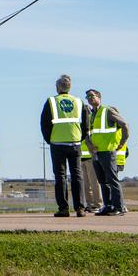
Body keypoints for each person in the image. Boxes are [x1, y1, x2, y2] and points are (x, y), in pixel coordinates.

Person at [40, 75, 90, 218]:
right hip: (75, 143)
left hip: (57, 143)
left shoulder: (51, 102)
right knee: (77, 176)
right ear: (70, 87)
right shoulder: (79, 102)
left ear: (57, 87)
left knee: (60, 177)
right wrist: (80, 138)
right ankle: (80, 208)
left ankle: (63, 208)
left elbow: (44, 124)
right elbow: (86, 124)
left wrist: (49, 139)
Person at [85, 88, 129, 216]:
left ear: (99, 97)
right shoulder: (91, 114)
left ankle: (119, 207)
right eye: (87, 96)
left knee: (112, 180)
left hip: (108, 151)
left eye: (92, 96)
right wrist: (89, 145)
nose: (89, 98)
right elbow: (88, 133)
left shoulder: (107, 111)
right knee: (102, 181)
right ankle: (108, 205)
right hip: (96, 153)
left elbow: (124, 125)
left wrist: (121, 143)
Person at [80, 137, 103, 212]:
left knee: (94, 182)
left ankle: (98, 204)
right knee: (86, 185)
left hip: (90, 159)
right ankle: (89, 204)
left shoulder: (89, 131)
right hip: (81, 159)